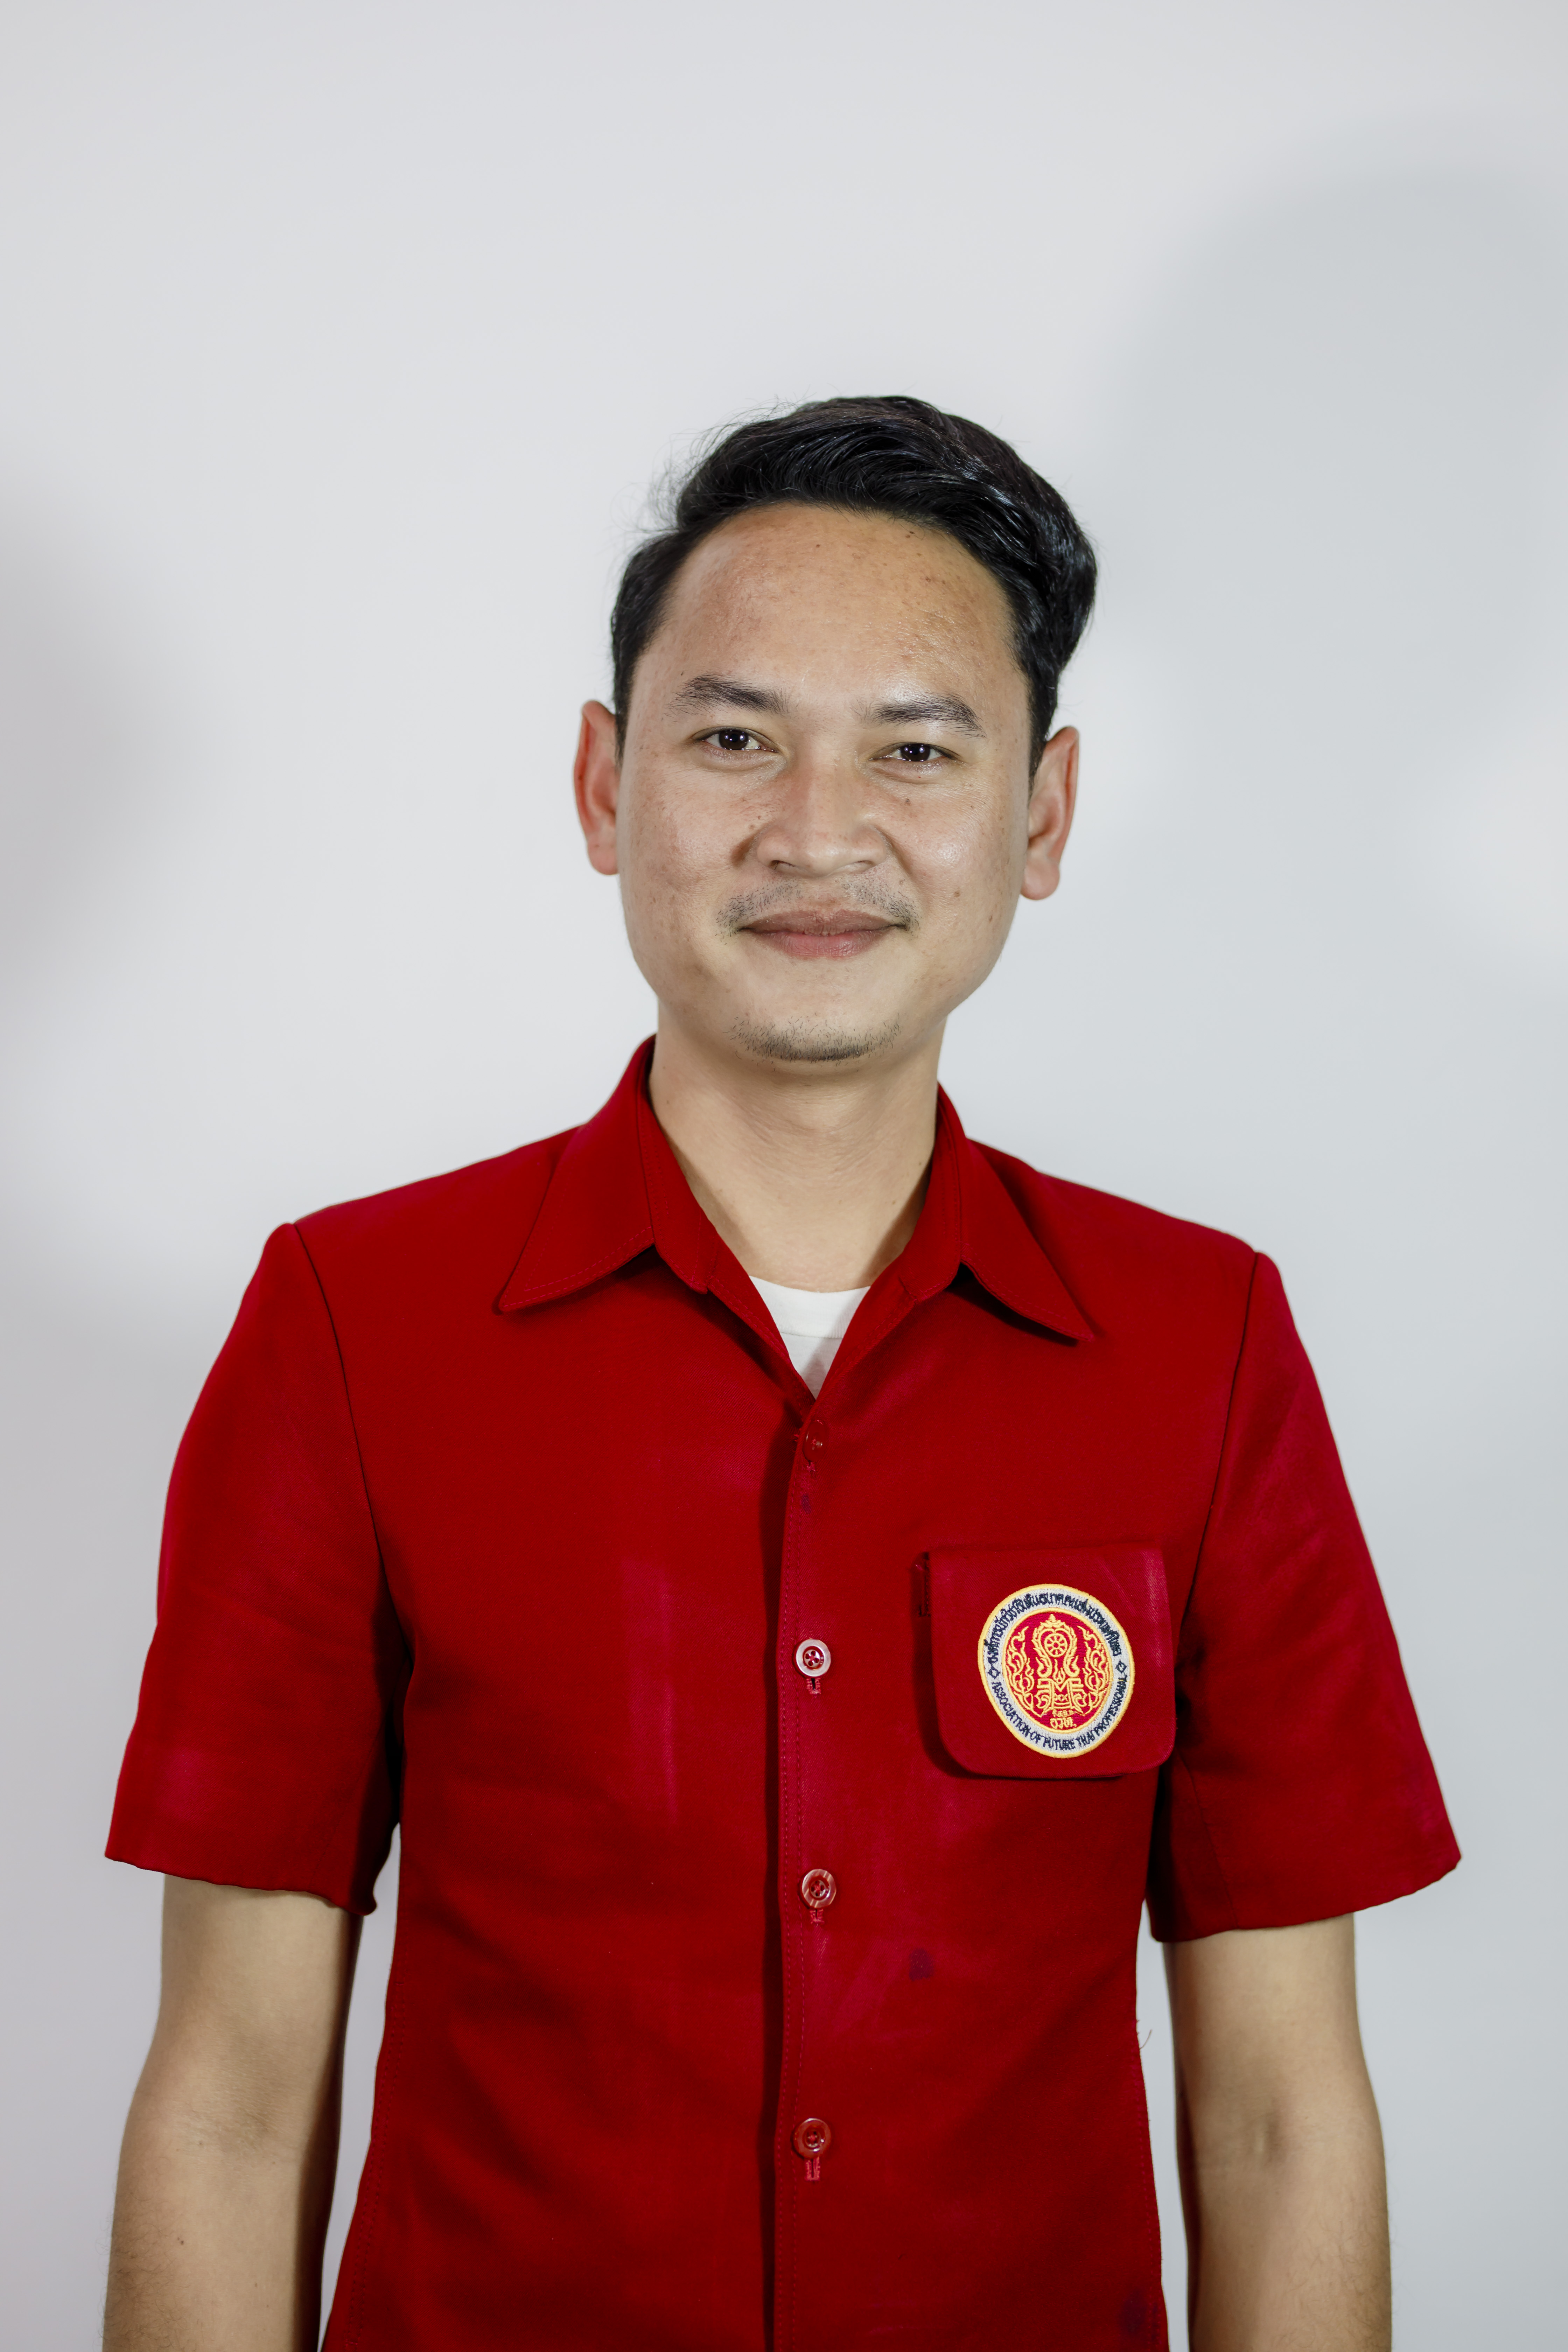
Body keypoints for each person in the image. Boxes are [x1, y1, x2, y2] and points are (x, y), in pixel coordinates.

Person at [103, 397, 1457, 2352]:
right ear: (605, 786)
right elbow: (233, 2103)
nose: (819, 833)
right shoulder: (353, 1322)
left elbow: (1279, 2116)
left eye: (916, 749)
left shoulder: (1203, 1344)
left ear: (1041, 814)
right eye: (735, 739)